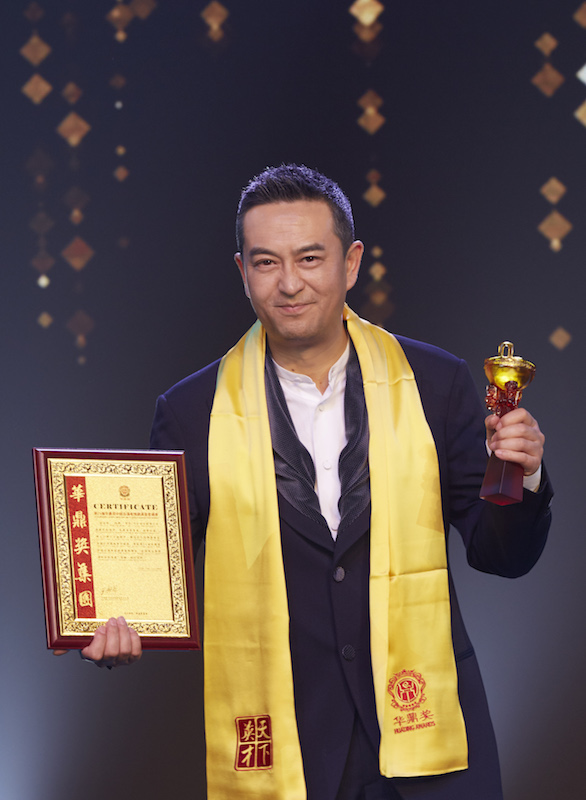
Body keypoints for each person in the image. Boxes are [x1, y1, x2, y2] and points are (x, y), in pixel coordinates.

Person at [77, 165, 552, 799]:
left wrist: (524, 474)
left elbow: (503, 555)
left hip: (430, 739)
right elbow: (153, 577)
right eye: (266, 262)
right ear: (242, 271)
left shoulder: (435, 384)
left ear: (350, 263)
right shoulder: (191, 412)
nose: (289, 283)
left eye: (309, 258)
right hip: (284, 748)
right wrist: (109, 620)